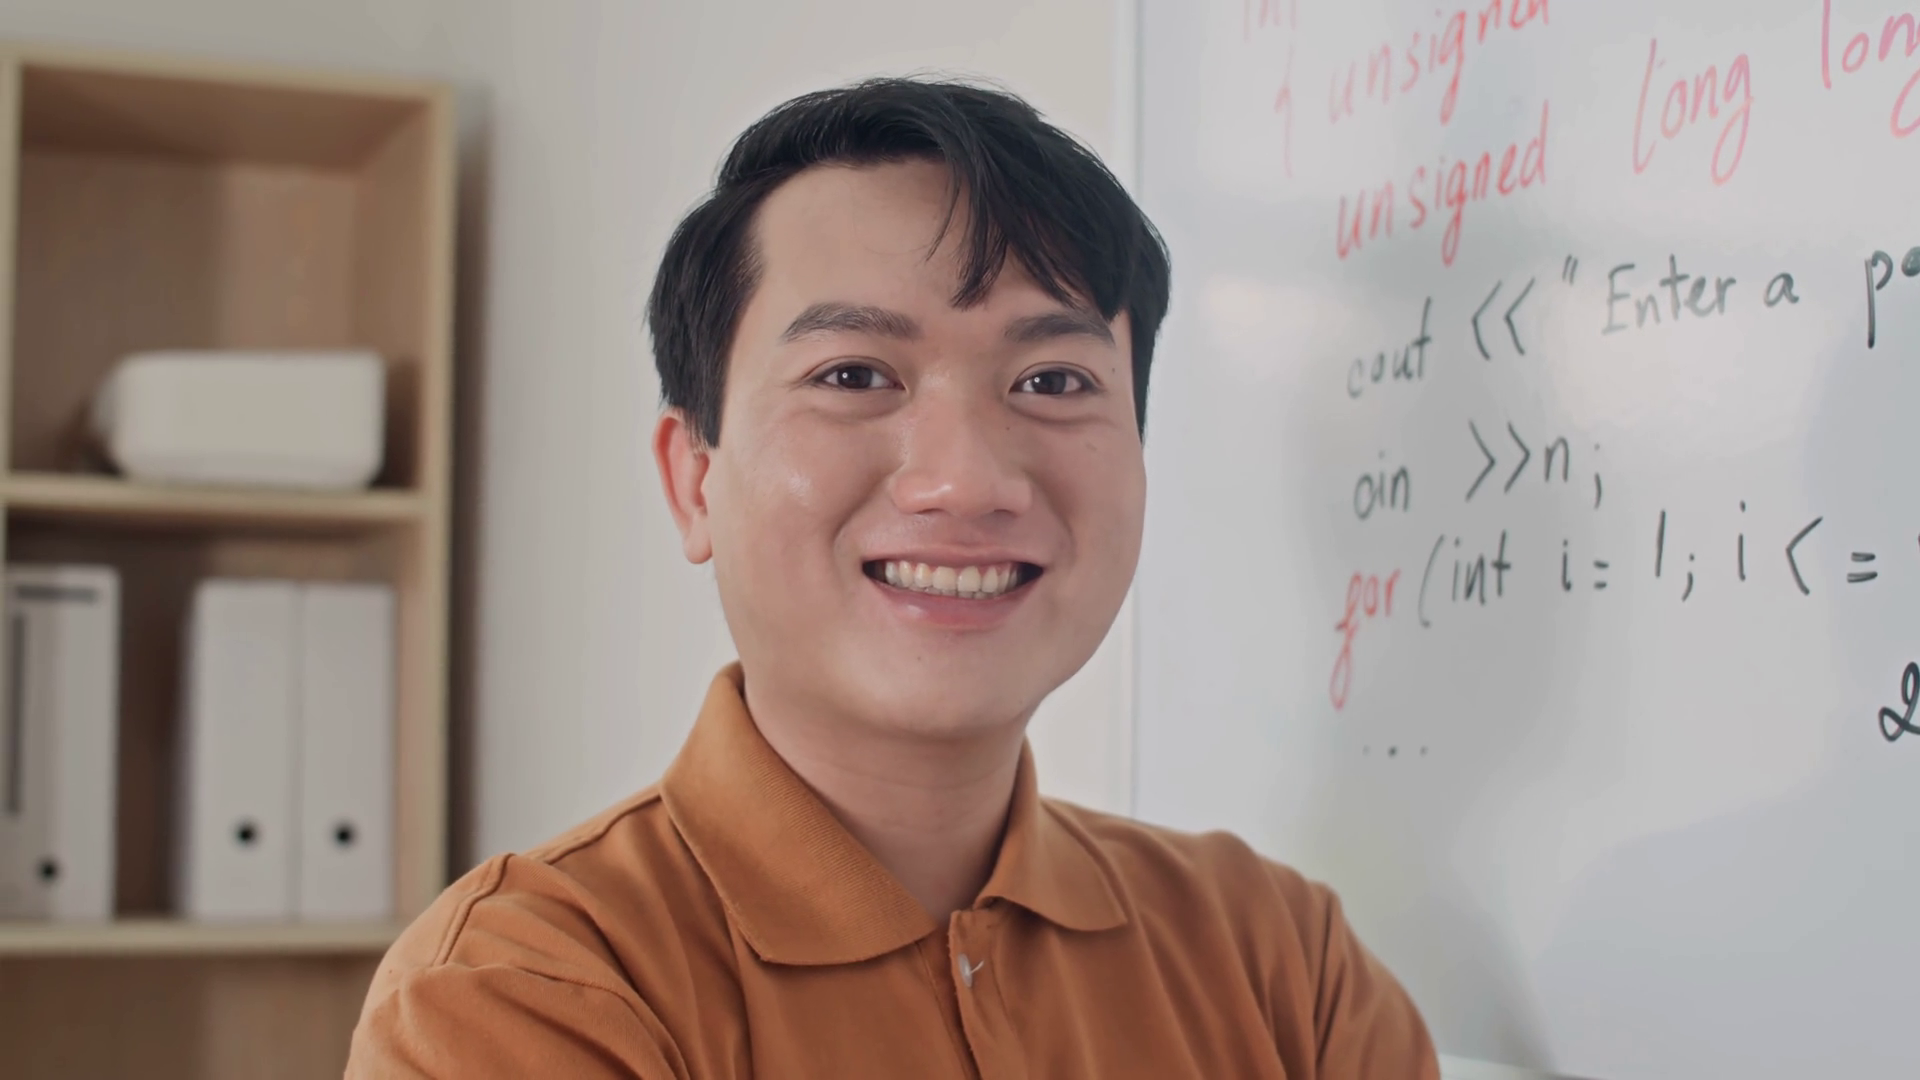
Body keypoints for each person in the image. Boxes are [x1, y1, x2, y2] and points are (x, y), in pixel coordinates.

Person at [348, 77, 1439, 1079]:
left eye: (1053, 380)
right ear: (695, 480)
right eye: (854, 374)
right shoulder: (520, 992)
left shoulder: (1280, 965)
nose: (966, 481)